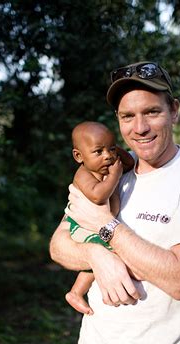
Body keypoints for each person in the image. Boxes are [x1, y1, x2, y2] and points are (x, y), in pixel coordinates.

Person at [50, 61, 180, 344]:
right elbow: (59, 245)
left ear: (174, 111)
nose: (140, 128)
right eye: (127, 116)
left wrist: (106, 227)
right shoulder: (112, 167)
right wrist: (96, 255)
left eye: (152, 112)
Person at [64, 121, 134, 316]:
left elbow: (130, 163)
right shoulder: (84, 174)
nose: (108, 157)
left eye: (111, 149)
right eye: (98, 152)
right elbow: (98, 195)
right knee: (108, 251)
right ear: (79, 156)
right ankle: (76, 292)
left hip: (97, 225)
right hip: (82, 227)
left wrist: (113, 150)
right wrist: (114, 176)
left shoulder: (108, 164)